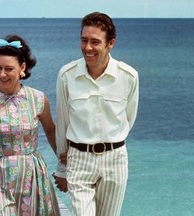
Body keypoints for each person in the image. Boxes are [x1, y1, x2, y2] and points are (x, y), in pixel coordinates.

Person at [53, 12, 139, 216]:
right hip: (79, 158)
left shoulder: (128, 76)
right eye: (84, 40)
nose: (87, 47)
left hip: (115, 160)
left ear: (111, 43)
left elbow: (129, 118)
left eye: (95, 42)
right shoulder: (67, 75)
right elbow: (63, 122)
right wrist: (62, 168)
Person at [0, 34, 61, 216]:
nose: (2, 74)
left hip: (32, 176)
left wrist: (64, 165)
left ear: (22, 68)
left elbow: (51, 131)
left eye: (8, 69)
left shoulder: (38, 99)